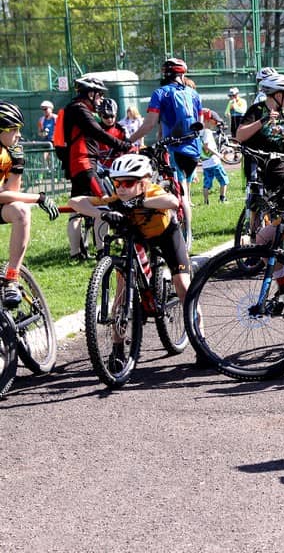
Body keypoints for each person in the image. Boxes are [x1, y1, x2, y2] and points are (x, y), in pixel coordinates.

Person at [68, 153, 199, 365]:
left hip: (166, 235)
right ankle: (118, 349)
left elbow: (172, 201)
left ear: (144, 182)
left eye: (128, 183)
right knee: (121, 293)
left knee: (183, 285)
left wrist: (140, 202)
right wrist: (101, 214)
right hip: (137, 238)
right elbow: (74, 201)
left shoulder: (152, 191)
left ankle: (200, 342)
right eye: (117, 182)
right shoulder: (116, 199)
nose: (121, 188)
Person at [128, 58, 203, 251]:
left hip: (175, 149)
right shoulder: (194, 93)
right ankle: (187, 233)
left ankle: (182, 239)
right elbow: (199, 122)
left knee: (178, 193)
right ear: (182, 74)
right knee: (184, 190)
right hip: (194, 150)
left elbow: (149, 124)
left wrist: (129, 140)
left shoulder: (160, 93)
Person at [61, 76, 132, 261]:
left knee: (77, 210)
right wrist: (124, 145)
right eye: (99, 95)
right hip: (85, 164)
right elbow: (98, 133)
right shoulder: (80, 109)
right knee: (104, 203)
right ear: (90, 94)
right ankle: (102, 251)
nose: (100, 100)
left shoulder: (72, 108)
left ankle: (75, 253)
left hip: (77, 164)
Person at [0, 101, 59, 307]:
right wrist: (38, 198)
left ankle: (12, 277)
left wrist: (17, 167)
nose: (18, 135)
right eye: (14, 129)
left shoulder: (6, 152)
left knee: (21, 211)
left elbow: (12, 193)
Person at [236, 73, 284, 191]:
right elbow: (240, 136)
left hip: (279, 167)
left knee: (283, 198)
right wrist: (263, 120)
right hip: (256, 165)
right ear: (278, 95)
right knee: (257, 199)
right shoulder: (255, 110)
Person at [199, 109, 229, 204]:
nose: (216, 123)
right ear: (207, 120)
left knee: (207, 183)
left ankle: (206, 202)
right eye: (215, 121)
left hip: (205, 163)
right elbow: (206, 147)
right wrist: (218, 154)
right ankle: (222, 198)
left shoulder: (199, 132)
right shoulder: (207, 132)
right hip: (214, 162)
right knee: (224, 180)